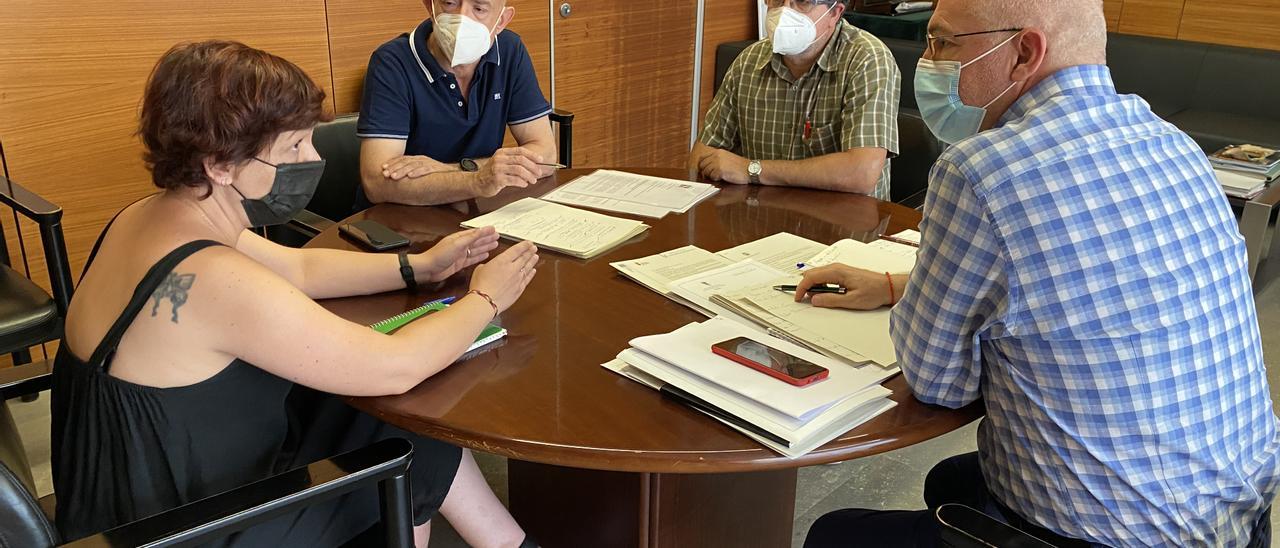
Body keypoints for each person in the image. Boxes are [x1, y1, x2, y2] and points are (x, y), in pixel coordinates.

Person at [798, 0, 1278, 546]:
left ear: (1023, 52)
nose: (928, 62)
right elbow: (1084, 279)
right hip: (1234, 515)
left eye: (944, 43)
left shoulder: (980, 170)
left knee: (835, 533)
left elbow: (939, 383)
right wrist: (894, 285)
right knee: (950, 481)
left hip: (1110, 536)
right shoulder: (1173, 143)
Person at [51, 40, 540, 548]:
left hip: (121, 496)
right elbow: (398, 363)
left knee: (377, 409)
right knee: (407, 422)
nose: (313, 157)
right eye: (293, 148)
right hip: (186, 528)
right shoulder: (217, 280)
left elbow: (301, 268)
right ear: (220, 163)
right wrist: (485, 298)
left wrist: (419, 266)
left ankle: (501, 542)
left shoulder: (148, 216)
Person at [688, 0, 899, 198]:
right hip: (762, 219)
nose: (785, 12)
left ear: (834, 13)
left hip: (840, 227)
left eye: (803, 1)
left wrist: (752, 169)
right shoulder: (748, 63)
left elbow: (861, 174)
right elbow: (700, 157)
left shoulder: (868, 59)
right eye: (778, 1)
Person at [357, 0, 556, 206]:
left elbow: (546, 155)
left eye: (479, 9)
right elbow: (376, 183)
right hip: (403, 220)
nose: (462, 19)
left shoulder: (510, 51)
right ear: (430, 6)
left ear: (502, 20)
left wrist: (453, 170)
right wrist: (478, 180)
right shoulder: (391, 63)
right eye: (450, 3)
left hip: (474, 212)